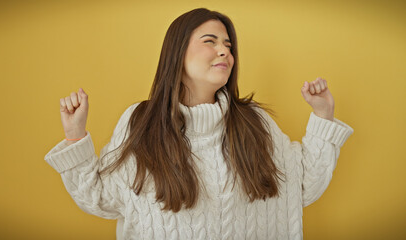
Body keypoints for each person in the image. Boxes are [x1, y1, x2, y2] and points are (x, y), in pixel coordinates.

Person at [45, 8, 353, 240]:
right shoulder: (142, 121)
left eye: (229, 46)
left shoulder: (254, 122)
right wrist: (75, 136)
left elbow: (300, 188)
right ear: (177, 53)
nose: (225, 51)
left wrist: (323, 114)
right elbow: (101, 199)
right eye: (211, 41)